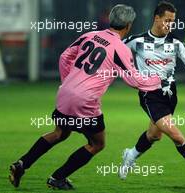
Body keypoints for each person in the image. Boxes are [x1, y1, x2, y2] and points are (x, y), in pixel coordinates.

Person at [9, 4, 161, 190]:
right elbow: (133, 79)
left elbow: (65, 57)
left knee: (59, 133)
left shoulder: (90, 35)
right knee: (97, 143)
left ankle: (21, 164)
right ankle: (57, 178)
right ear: (129, 25)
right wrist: (157, 80)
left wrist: (70, 83)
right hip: (85, 101)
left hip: (65, 94)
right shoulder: (119, 48)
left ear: (110, 20)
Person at [119, 1, 185, 180]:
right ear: (156, 18)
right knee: (175, 134)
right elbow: (114, 53)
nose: (170, 24)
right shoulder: (137, 41)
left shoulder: (176, 43)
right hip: (149, 94)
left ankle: (130, 155)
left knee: (154, 135)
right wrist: (124, 74)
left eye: (172, 21)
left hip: (169, 94)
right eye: (167, 20)